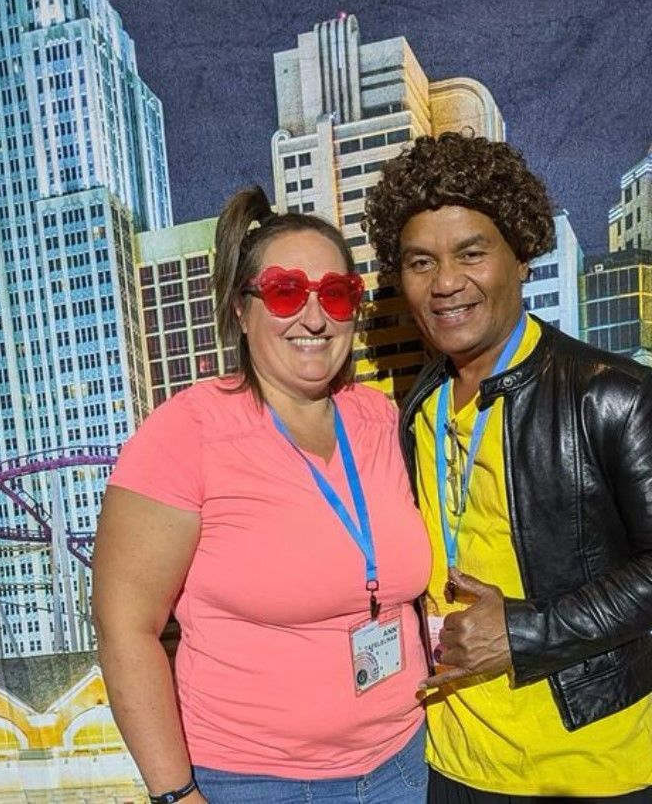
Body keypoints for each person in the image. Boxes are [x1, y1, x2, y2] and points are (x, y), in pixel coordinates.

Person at [363, 133, 652, 804]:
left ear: (520, 257)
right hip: (450, 767)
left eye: (472, 253)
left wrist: (526, 632)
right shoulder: (420, 405)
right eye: (421, 262)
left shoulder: (607, 392)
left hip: (586, 771)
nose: (445, 283)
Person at [94, 186, 431, 804]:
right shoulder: (186, 432)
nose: (313, 316)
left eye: (335, 294)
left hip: (405, 762)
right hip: (255, 782)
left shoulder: (381, 420)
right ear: (242, 309)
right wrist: (175, 795)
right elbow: (125, 629)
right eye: (284, 291)